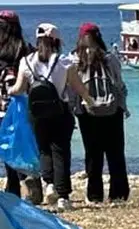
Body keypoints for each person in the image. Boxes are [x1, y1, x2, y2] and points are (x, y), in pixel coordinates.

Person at [7, 23, 93, 210]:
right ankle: (63, 197)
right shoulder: (65, 62)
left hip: (36, 114)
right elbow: (78, 86)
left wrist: (9, 91)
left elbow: (19, 89)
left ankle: (49, 184)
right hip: (60, 112)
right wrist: (89, 99)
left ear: (38, 41)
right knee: (61, 151)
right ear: (56, 41)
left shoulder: (27, 61)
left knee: (43, 150)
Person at [70, 23, 129, 204]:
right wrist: (123, 106)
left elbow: (73, 90)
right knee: (115, 152)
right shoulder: (110, 58)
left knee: (93, 153)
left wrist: (75, 109)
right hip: (112, 111)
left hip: (87, 112)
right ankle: (118, 194)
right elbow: (119, 86)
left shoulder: (74, 60)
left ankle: (94, 195)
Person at [0, 10, 37, 200]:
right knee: (20, 144)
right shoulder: (26, 49)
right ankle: (24, 178)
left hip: (2, 106)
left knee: (5, 146)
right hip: (24, 105)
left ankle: (14, 185)